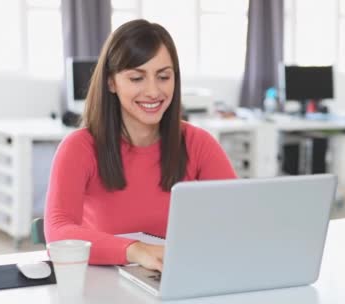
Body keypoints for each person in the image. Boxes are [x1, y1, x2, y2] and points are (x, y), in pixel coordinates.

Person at [45, 19, 237, 272]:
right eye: (137, 78)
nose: (153, 91)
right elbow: (58, 231)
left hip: (178, 277)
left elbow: (237, 216)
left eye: (164, 77)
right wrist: (134, 250)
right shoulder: (80, 147)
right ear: (111, 82)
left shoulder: (198, 143)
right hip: (105, 286)